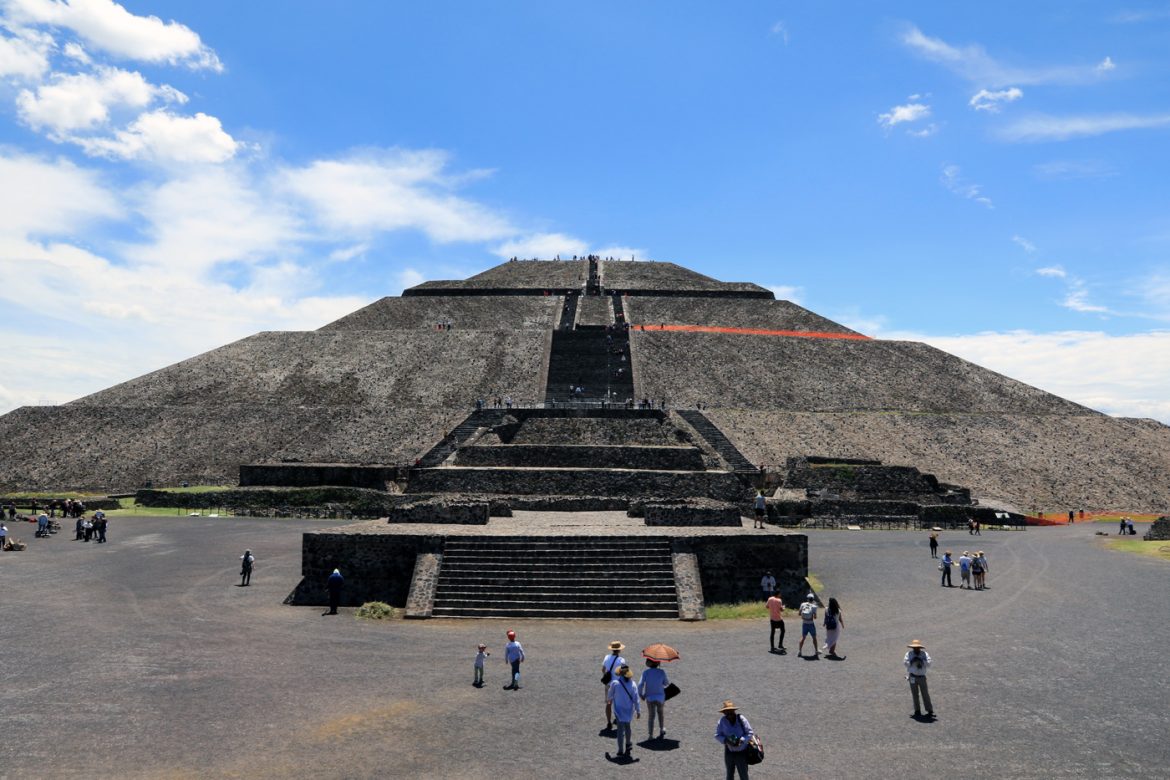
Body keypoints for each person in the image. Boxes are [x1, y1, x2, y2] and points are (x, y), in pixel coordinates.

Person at [605, 665, 641, 760]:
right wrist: (638, 710)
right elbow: (636, 698)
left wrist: (609, 700)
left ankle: (620, 749)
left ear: (620, 673)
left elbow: (610, 695)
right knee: (628, 726)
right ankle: (628, 743)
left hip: (618, 710)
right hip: (629, 710)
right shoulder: (633, 684)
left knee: (620, 730)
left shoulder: (615, 683)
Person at [715, 700, 753, 780]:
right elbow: (717, 735)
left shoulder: (741, 719)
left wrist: (741, 740)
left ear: (734, 711)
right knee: (729, 775)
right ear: (724, 713)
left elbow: (750, 732)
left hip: (741, 752)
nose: (729, 715)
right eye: (727, 712)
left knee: (743, 775)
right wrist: (726, 740)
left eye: (730, 712)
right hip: (729, 751)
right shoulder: (722, 721)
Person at [638, 658, 670, 740]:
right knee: (660, 714)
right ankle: (661, 729)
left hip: (650, 697)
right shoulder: (661, 672)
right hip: (660, 697)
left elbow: (640, 684)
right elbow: (666, 683)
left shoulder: (646, 673)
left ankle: (650, 735)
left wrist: (641, 694)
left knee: (651, 716)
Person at [904, 639, 934, 718]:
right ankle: (917, 710)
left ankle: (929, 710)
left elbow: (929, 663)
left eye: (917, 648)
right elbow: (905, 663)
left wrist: (922, 660)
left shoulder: (924, 654)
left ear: (920, 648)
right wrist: (912, 661)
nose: (916, 649)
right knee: (915, 694)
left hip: (922, 677)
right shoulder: (909, 654)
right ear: (912, 648)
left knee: (925, 694)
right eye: (914, 648)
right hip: (912, 677)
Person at [602, 641, 627, 729]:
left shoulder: (606, 657)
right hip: (618, 685)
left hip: (608, 684)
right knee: (618, 703)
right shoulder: (622, 660)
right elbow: (624, 672)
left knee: (608, 703)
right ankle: (618, 719)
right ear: (619, 650)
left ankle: (609, 722)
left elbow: (603, 669)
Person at [797, 593, 818, 657]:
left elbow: (799, 614)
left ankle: (800, 651)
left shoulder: (803, 604)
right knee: (814, 638)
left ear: (807, 598)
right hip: (811, 624)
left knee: (803, 638)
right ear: (813, 599)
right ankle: (816, 651)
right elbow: (815, 617)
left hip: (804, 624)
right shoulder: (814, 606)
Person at [765, 589, 785, 653]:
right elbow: (781, 610)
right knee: (783, 630)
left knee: (772, 632)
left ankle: (772, 647)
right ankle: (780, 644)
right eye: (780, 594)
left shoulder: (770, 599)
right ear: (778, 594)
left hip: (772, 619)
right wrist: (783, 607)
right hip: (778, 619)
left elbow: (767, 607)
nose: (781, 595)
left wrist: (772, 608)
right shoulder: (779, 600)